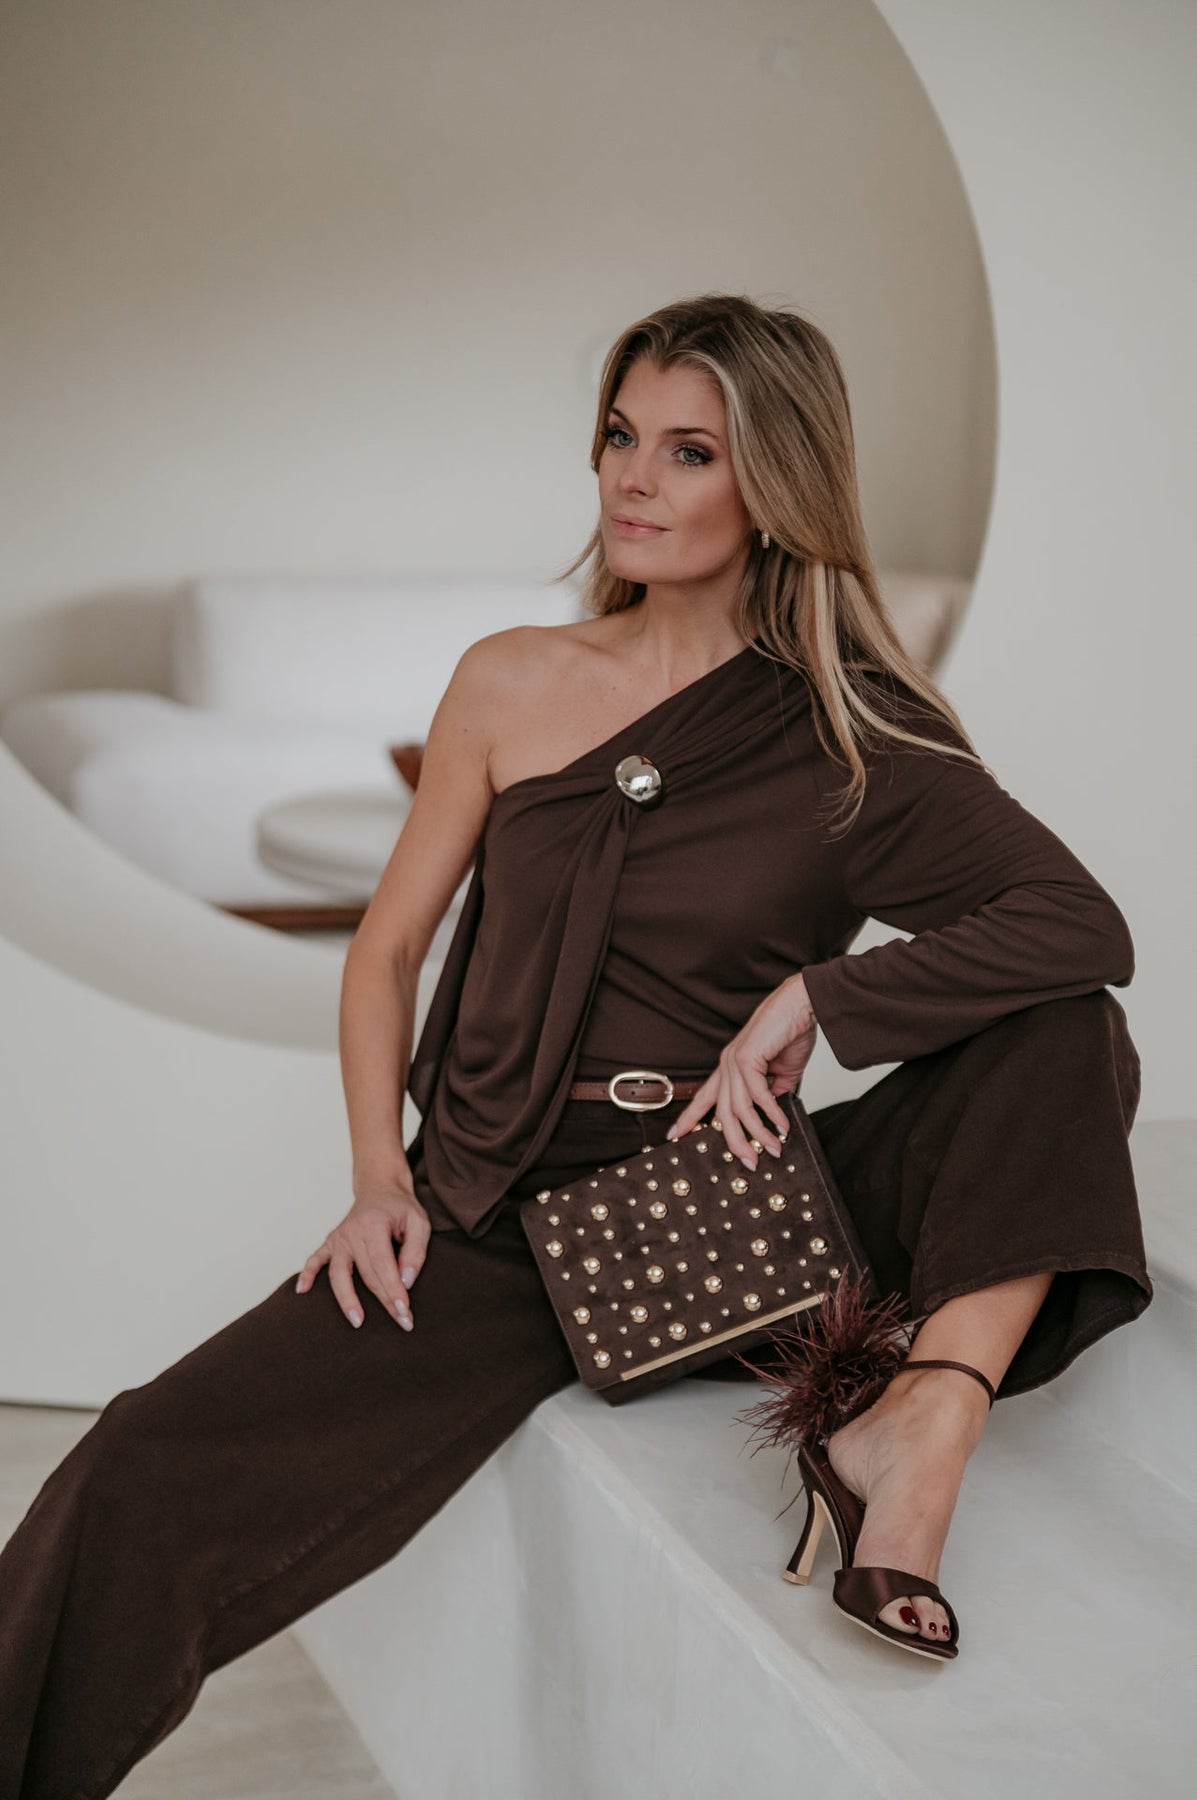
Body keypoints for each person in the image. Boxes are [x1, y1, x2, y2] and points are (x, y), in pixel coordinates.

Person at [0, 295, 1150, 1783]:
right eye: (620, 436)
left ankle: (922, 1424)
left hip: (723, 1214)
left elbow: (1077, 924)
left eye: (688, 451)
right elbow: (387, 950)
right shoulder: (508, 678)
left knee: (1063, 1027)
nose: (632, 479)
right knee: (142, 1461)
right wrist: (378, 1180)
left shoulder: (854, 734)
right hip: (492, 1218)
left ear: (775, 485)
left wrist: (822, 997)